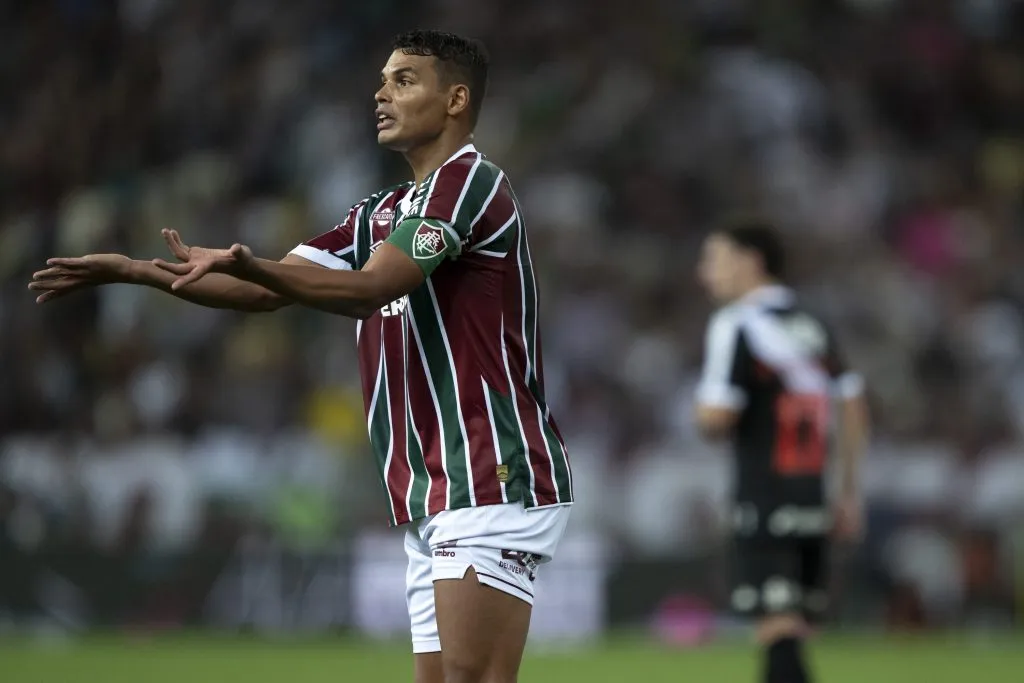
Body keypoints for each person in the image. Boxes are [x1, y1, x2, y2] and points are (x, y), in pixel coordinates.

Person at [30, 30, 572, 683]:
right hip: (432, 488)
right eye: (382, 80)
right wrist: (136, 270)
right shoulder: (379, 212)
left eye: (403, 81)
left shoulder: (471, 183)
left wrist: (254, 266)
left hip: (491, 472)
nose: (381, 94)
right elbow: (262, 292)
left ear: (456, 99)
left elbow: (372, 289)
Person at [693, 218, 869, 683]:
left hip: (765, 493)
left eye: (715, 259)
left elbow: (717, 416)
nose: (704, 272)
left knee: (776, 627)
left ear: (751, 261)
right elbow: (853, 406)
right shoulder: (813, 323)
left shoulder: (738, 323)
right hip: (813, 494)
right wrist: (848, 492)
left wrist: (701, 414)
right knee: (793, 626)